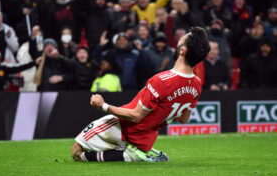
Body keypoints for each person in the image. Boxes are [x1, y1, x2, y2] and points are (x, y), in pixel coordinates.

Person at [71, 26, 210, 162]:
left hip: (123, 126)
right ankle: (133, 151)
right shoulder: (197, 85)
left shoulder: (161, 80)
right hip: (145, 136)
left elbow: (135, 116)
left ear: (183, 51)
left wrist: (103, 106)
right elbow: (183, 119)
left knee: (76, 151)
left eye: (180, 41)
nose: (177, 44)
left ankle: (128, 155)